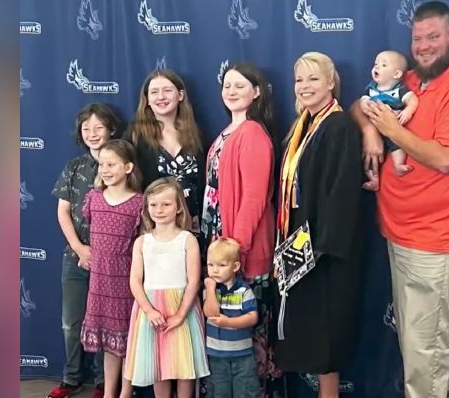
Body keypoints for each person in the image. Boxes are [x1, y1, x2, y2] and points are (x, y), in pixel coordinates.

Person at [349, 2, 449, 398]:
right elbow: (358, 106)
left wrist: (390, 129)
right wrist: (368, 129)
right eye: (418, 38)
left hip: (436, 243)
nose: (425, 45)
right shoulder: (409, 79)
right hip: (400, 234)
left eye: (433, 37)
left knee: (426, 357)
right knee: (417, 352)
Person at [273, 51, 364, 398]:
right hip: (301, 240)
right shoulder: (303, 126)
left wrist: (314, 250)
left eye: (313, 78)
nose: (304, 86)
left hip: (325, 249)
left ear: (330, 83)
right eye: (299, 79)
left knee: (327, 334)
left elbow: (340, 194)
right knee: (312, 335)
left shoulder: (338, 125)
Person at [201, 62, 283, 397]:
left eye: (240, 85)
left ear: (257, 92)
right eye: (227, 86)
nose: (231, 91)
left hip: (241, 252)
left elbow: (254, 196)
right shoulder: (228, 131)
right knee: (224, 341)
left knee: (249, 341)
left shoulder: (252, 133)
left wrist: (237, 248)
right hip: (222, 248)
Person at [50, 103, 126, 398]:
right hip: (75, 258)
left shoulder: (124, 164)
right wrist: (80, 249)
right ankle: (71, 377)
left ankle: (102, 381)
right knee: (72, 322)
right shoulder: (74, 168)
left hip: (113, 262)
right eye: (86, 129)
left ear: (111, 130)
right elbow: (63, 213)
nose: (93, 134)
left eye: (98, 127)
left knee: (108, 323)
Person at [124, 177, 210, 398]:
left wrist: (181, 314)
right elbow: (135, 280)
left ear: (179, 207)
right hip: (151, 310)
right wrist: (149, 310)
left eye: (166, 204)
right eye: (153, 205)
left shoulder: (187, 240)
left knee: (184, 366)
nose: (159, 210)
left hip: (182, 308)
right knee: (158, 364)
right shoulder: (142, 242)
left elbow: (193, 280)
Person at [80, 139, 144, 398]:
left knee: (127, 340)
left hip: (126, 280)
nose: (105, 170)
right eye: (102, 165)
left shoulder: (139, 203)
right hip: (99, 281)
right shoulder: (93, 198)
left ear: (128, 167)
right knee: (110, 343)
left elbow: (142, 242)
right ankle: (109, 392)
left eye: (112, 164)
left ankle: (125, 393)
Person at [127, 69, 205, 236]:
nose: (161, 97)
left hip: (194, 228)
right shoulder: (134, 136)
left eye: (167, 90)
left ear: (180, 95)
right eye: (154, 92)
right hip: (154, 229)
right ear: (147, 99)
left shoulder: (197, 135)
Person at [202, 237, 261, 398]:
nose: (214, 270)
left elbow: (252, 317)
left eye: (221, 265)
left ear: (235, 266)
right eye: (210, 265)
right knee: (219, 392)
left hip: (242, 355)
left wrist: (229, 322)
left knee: (245, 391)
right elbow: (211, 313)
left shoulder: (243, 290)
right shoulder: (211, 290)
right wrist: (210, 287)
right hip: (217, 355)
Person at [359, 50, 419, 181]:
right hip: (375, 126)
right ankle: (373, 179)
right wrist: (365, 106)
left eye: (384, 65)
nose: (377, 67)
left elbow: (413, 100)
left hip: (391, 127)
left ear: (397, 74)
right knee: (370, 155)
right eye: (376, 64)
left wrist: (407, 111)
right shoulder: (371, 88)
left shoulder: (399, 89)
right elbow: (362, 101)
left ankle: (398, 165)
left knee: (397, 146)